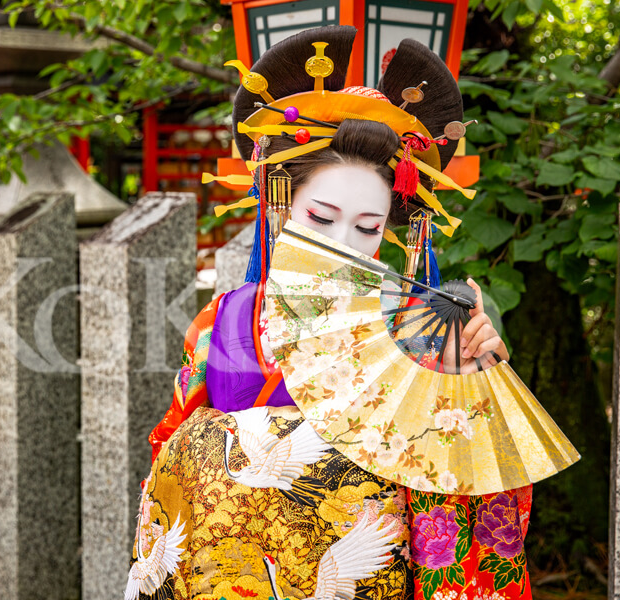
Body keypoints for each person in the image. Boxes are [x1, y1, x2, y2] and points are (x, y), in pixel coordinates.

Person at [127, 27, 537, 600]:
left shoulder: (419, 330)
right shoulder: (222, 320)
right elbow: (173, 473)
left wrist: (479, 384)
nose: (344, 243)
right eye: (321, 217)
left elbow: (470, 489)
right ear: (279, 203)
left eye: (368, 227)